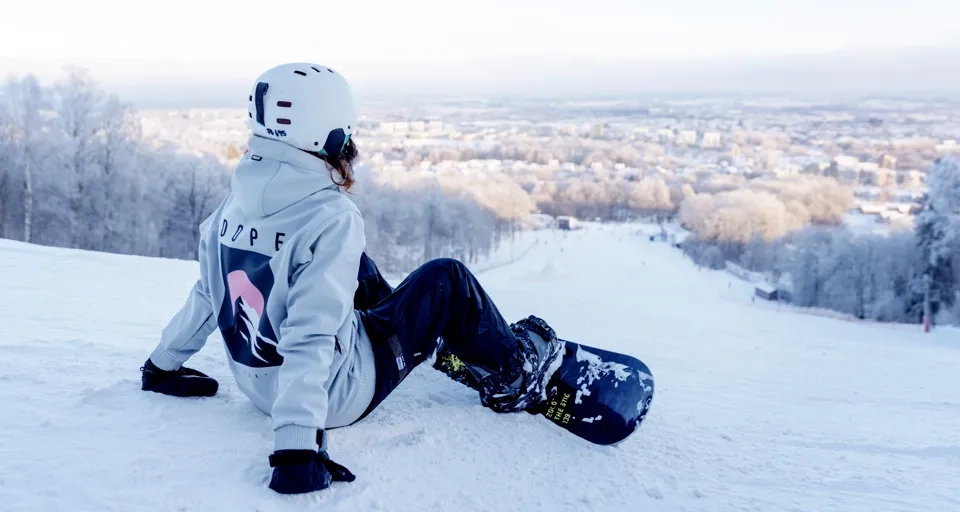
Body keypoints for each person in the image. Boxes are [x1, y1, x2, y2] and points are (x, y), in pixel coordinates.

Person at [139, 62, 563, 495]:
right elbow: (310, 334)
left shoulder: (236, 201)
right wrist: (296, 452)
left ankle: (425, 340)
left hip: (259, 386)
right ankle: (514, 378)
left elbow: (209, 291)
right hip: (335, 393)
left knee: (355, 265)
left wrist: (161, 366)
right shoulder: (330, 216)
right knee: (447, 279)